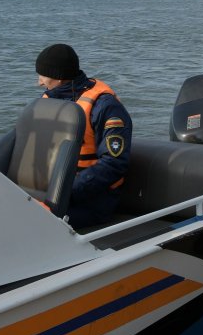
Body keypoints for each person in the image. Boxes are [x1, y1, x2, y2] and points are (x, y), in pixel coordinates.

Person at [35, 43, 132, 229]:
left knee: (31, 223)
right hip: (49, 191)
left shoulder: (105, 106)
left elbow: (114, 163)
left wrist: (62, 194)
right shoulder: (49, 99)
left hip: (91, 201)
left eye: (43, 76)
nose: (39, 82)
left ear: (59, 77)